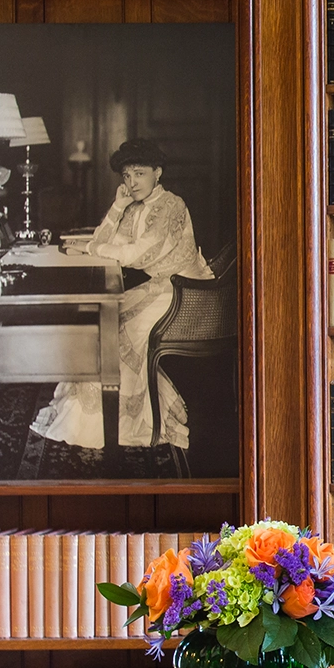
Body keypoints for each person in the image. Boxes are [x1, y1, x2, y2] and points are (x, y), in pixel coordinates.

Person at [31, 138, 214, 454]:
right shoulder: (135, 206)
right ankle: (96, 419)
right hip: (160, 287)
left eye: (139, 174)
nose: (132, 182)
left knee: (114, 330)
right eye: (127, 176)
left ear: (157, 172)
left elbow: (135, 254)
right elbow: (106, 239)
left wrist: (88, 247)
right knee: (103, 321)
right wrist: (117, 206)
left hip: (185, 293)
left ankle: (118, 424)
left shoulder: (171, 205)